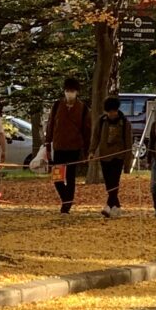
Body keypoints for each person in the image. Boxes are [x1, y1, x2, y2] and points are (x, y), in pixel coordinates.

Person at [45, 77, 91, 213]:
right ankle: (66, 198)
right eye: (67, 90)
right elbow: (50, 125)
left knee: (70, 177)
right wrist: (48, 144)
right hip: (59, 147)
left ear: (77, 92)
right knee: (57, 178)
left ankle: (67, 204)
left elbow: (87, 131)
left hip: (74, 147)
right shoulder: (57, 105)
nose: (69, 93)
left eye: (72, 91)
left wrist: (87, 150)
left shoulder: (83, 109)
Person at [91, 95, 133, 218]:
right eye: (109, 112)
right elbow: (95, 137)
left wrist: (127, 162)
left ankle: (109, 207)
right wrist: (92, 151)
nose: (112, 114)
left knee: (114, 182)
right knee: (109, 183)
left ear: (117, 110)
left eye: (113, 111)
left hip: (118, 157)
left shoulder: (124, 122)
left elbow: (128, 143)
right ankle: (116, 207)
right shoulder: (101, 121)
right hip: (104, 156)